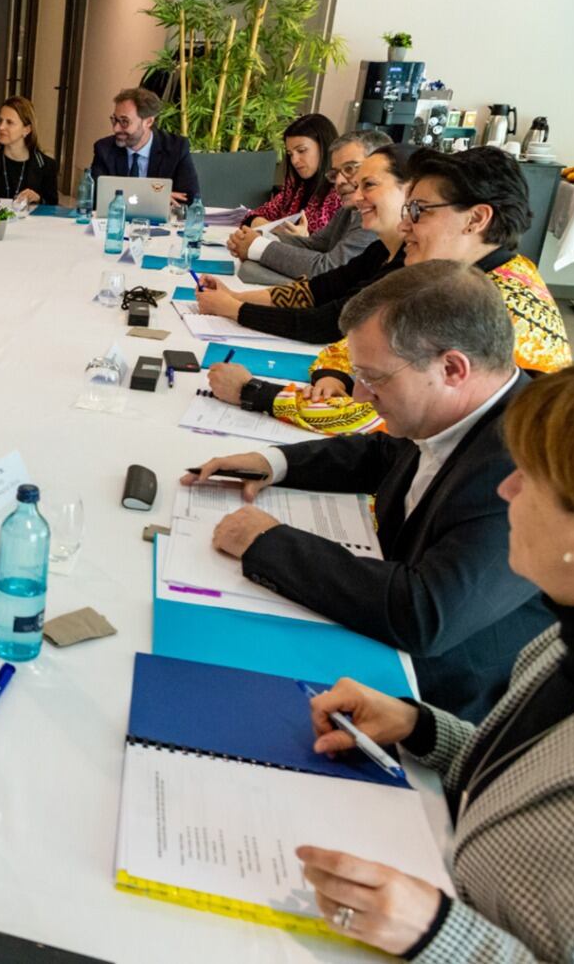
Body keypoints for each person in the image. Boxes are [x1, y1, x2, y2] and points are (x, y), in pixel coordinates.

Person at [294, 361, 574, 963]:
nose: (505, 490)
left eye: (526, 478)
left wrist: (442, 935)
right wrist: (422, 728)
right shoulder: (569, 637)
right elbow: (526, 777)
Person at [184, 261, 552, 721]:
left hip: (440, 695)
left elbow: (424, 611)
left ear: (453, 368)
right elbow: (383, 452)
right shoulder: (463, 410)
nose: (359, 395)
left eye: (374, 377)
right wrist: (273, 462)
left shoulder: (527, 464)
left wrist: (268, 541)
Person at [206, 147, 572, 434]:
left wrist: (255, 392)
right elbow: (356, 339)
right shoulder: (467, 277)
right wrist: (332, 375)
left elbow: (383, 418)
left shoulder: (492, 311)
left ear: (476, 219)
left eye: (419, 210)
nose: (406, 224)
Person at [198, 145, 412, 345]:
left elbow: (326, 323)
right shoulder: (380, 251)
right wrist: (234, 297)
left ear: (411, 192)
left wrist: (233, 308)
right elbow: (316, 289)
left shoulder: (409, 263)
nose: (356, 196)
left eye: (369, 185)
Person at [229, 129, 389, 286]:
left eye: (349, 169)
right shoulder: (346, 207)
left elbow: (330, 269)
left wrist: (257, 246)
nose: (339, 181)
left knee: (249, 272)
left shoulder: (375, 213)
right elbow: (316, 244)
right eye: (335, 173)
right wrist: (257, 238)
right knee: (248, 271)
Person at [87, 86, 200, 201]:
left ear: (148, 122)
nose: (116, 129)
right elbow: (95, 196)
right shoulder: (104, 149)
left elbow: (189, 198)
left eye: (124, 121)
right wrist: (154, 197)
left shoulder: (176, 148)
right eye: (115, 120)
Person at [244, 112, 341, 232]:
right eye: (290, 154)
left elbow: (334, 247)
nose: (294, 160)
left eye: (301, 150)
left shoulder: (341, 194)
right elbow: (251, 217)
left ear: (324, 148)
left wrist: (294, 238)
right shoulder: (296, 188)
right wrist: (279, 230)